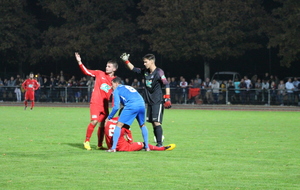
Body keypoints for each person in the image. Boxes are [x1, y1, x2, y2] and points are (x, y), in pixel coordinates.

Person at [120, 53, 171, 147]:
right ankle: (159, 139)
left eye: (145, 62)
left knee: (156, 122)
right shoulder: (145, 71)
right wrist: (126, 61)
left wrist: (167, 98)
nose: (144, 64)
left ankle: (159, 143)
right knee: (152, 122)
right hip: (149, 101)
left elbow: (166, 84)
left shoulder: (159, 72)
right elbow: (134, 69)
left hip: (157, 100)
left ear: (151, 62)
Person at [75, 52, 118, 150]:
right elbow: (87, 72)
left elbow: (116, 94)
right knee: (94, 121)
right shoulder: (99, 73)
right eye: (106, 66)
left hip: (105, 104)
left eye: (109, 66)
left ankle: (99, 145)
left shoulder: (115, 81)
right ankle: (86, 141)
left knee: (103, 124)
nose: (106, 67)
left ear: (114, 69)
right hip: (95, 102)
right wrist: (80, 62)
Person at [106, 77, 149, 152]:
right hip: (142, 104)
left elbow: (116, 107)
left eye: (112, 84)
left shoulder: (117, 90)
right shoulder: (128, 86)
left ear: (116, 83)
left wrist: (109, 117)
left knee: (119, 125)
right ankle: (147, 147)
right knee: (142, 125)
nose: (111, 86)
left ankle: (113, 148)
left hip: (132, 105)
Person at [105, 117, 176, 151]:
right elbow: (130, 139)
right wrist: (130, 144)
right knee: (143, 144)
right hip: (122, 147)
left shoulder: (109, 121)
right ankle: (163, 148)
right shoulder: (124, 123)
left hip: (110, 146)